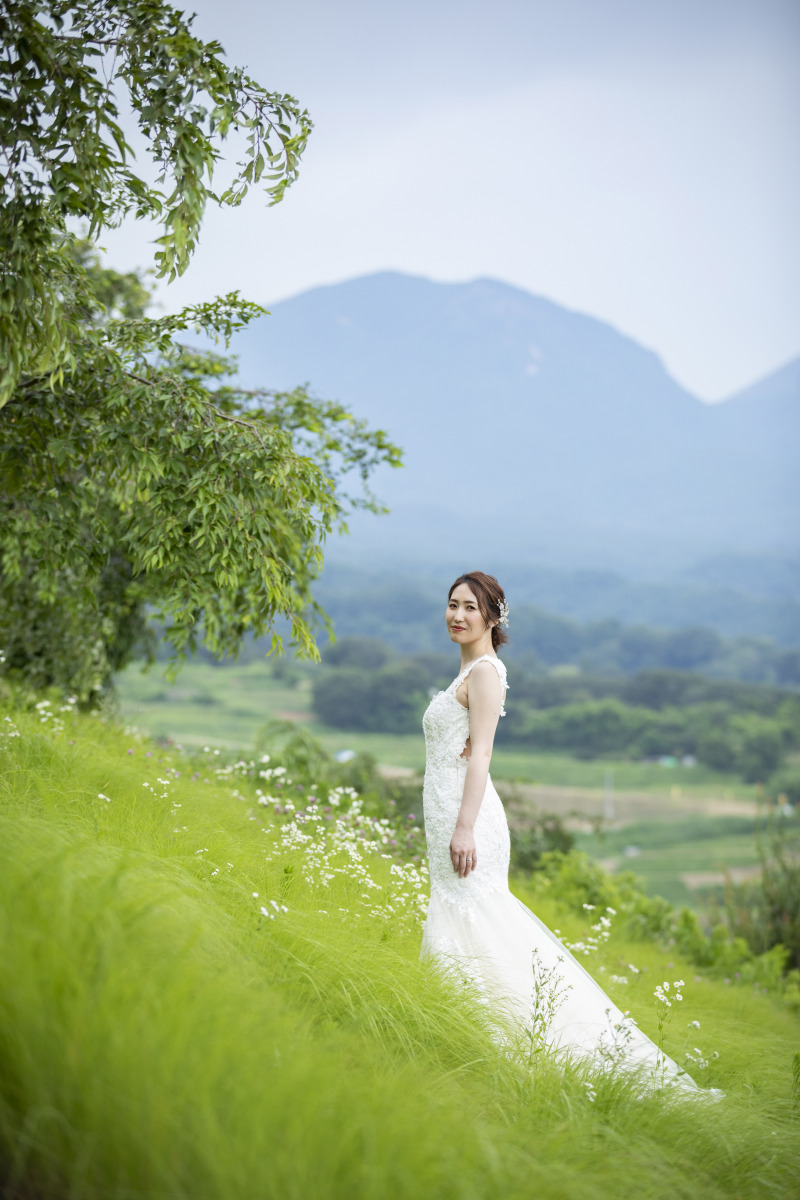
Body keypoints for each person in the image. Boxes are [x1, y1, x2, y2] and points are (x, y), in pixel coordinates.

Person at [420, 570, 722, 1100]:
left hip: (468, 820)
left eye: (470, 606)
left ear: (493, 616)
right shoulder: (466, 671)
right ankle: (459, 1030)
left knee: (480, 921)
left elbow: (484, 753)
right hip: (448, 812)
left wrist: (465, 826)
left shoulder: (486, 672)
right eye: (452, 605)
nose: (458, 615)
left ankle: (521, 1039)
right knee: (459, 918)